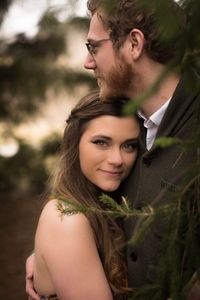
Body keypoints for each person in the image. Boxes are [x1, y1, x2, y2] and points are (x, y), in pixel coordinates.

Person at [26, 0, 200, 299]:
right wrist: (54, 256)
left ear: (134, 44)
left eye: (94, 47)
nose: (87, 62)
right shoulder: (131, 125)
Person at [28, 91, 140, 300]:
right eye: (101, 142)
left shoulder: (110, 204)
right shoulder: (66, 218)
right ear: (74, 143)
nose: (117, 159)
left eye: (129, 145)